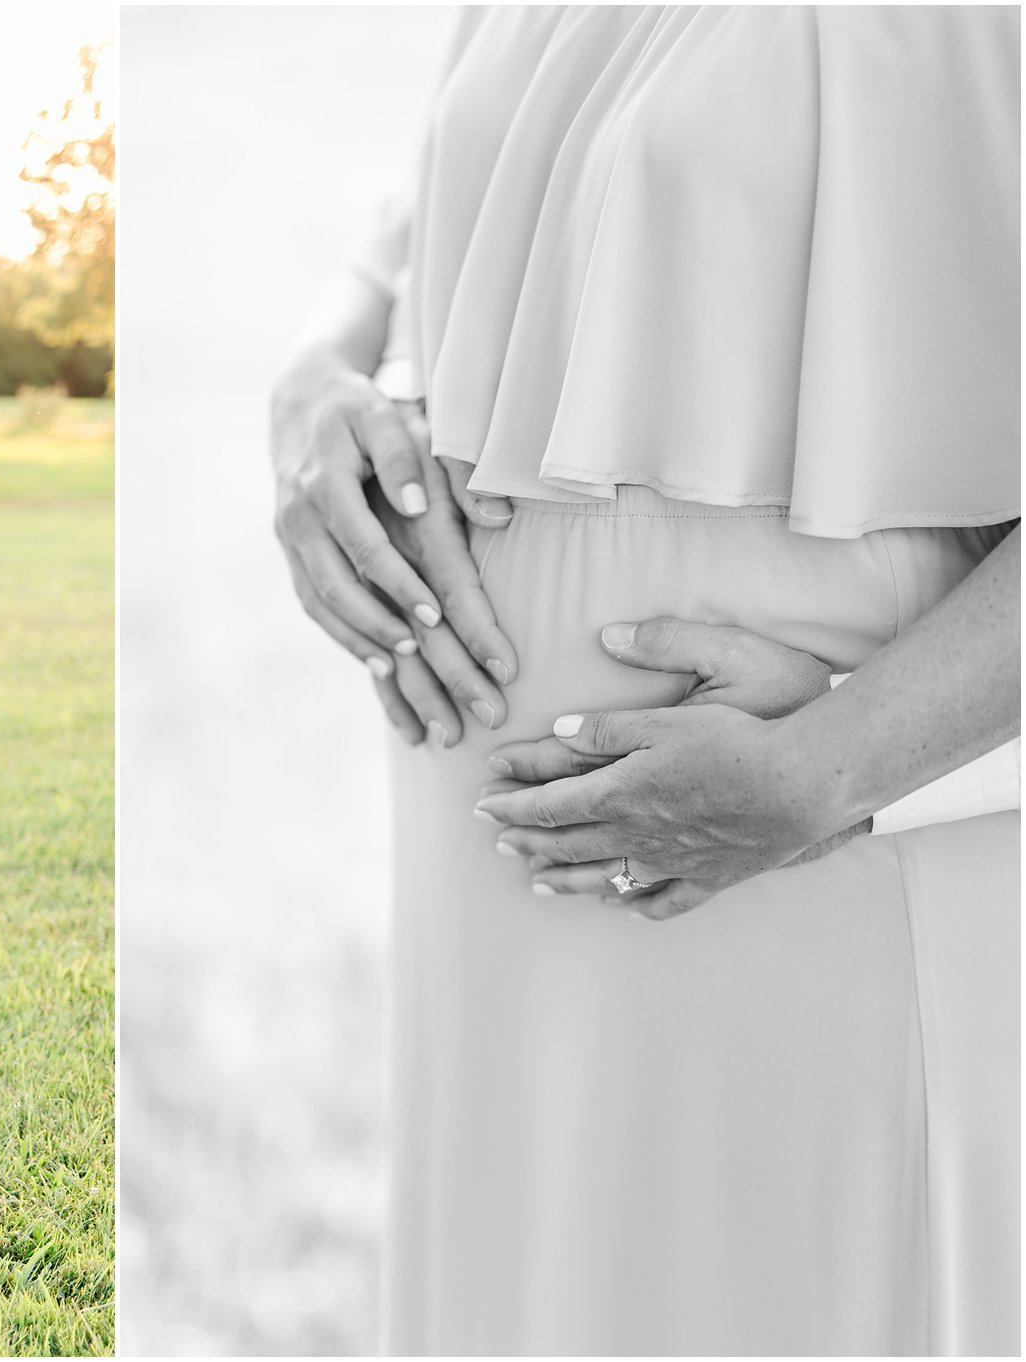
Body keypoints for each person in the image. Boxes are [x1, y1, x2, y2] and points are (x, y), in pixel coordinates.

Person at [269, 7, 1018, 1354]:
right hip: (489, 876)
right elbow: (447, 188)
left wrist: (823, 768)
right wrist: (315, 375)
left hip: (799, 820)